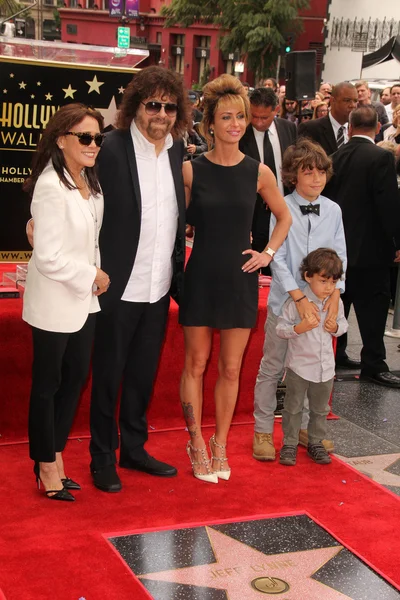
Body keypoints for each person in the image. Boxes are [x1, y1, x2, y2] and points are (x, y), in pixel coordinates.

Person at [179, 74, 292, 483]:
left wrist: (267, 254)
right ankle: (195, 441)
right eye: (226, 117)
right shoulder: (190, 172)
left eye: (240, 117)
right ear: (209, 123)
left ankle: (220, 443)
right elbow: (177, 223)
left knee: (230, 369)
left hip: (240, 279)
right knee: (195, 363)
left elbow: (284, 216)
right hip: (202, 276)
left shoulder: (258, 172)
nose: (235, 124)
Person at [89, 66, 189, 492]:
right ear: (136, 106)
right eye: (153, 105)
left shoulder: (175, 150)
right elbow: (87, 212)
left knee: (142, 375)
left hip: (158, 285)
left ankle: (133, 448)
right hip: (118, 286)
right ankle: (101, 457)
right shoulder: (109, 149)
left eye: (169, 106)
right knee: (108, 374)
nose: (161, 114)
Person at [23, 104, 109, 501]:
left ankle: (55, 454)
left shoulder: (90, 182)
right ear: (62, 140)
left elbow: (90, 240)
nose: (94, 144)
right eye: (85, 137)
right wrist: (92, 275)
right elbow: (48, 257)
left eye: (98, 137)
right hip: (55, 300)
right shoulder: (50, 185)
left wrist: (93, 276)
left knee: (74, 378)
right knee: (48, 385)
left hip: (84, 300)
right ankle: (44, 464)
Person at [253, 139, 347, 462]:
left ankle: (308, 429)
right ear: (294, 176)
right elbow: (275, 255)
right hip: (285, 303)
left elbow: (340, 256)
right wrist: (297, 295)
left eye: (321, 172)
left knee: (315, 371)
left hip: (321, 307)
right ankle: (263, 429)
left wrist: (336, 293)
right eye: (309, 173)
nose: (317, 179)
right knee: (273, 367)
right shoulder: (282, 206)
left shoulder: (333, 210)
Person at [324, 106, 400, 388]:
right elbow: (388, 205)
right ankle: (374, 363)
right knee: (373, 309)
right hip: (371, 250)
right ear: (378, 127)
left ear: (351, 128)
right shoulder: (382, 156)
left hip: (336, 251)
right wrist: (397, 241)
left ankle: (337, 352)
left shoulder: (334, 157)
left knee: (338, 304)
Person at [277, 248, 348, 466]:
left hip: (325, 368)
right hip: (299, 366)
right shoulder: (296, 303)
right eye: (324, 281)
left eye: (333, 283)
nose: (329, 288)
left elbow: (343, 325)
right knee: (293, 406)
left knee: (320, 409)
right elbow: (281, 329)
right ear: (308, 276)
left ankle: (316, 441)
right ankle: (289, 443)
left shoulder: (335, 303)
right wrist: (299, 328)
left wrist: (335, 326)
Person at [239, 87, 297, 265]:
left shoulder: (289, 129)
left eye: (264, 117)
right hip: (255, 212)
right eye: (253, 116)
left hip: (285, 206)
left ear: (276, 110)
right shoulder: (240, 134)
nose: (257, 122)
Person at [298, 82, 358, 158]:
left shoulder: (357, 130)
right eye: (347, 100)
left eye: (355, 101)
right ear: (333, 101)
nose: (352, 105)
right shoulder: (310, 128)